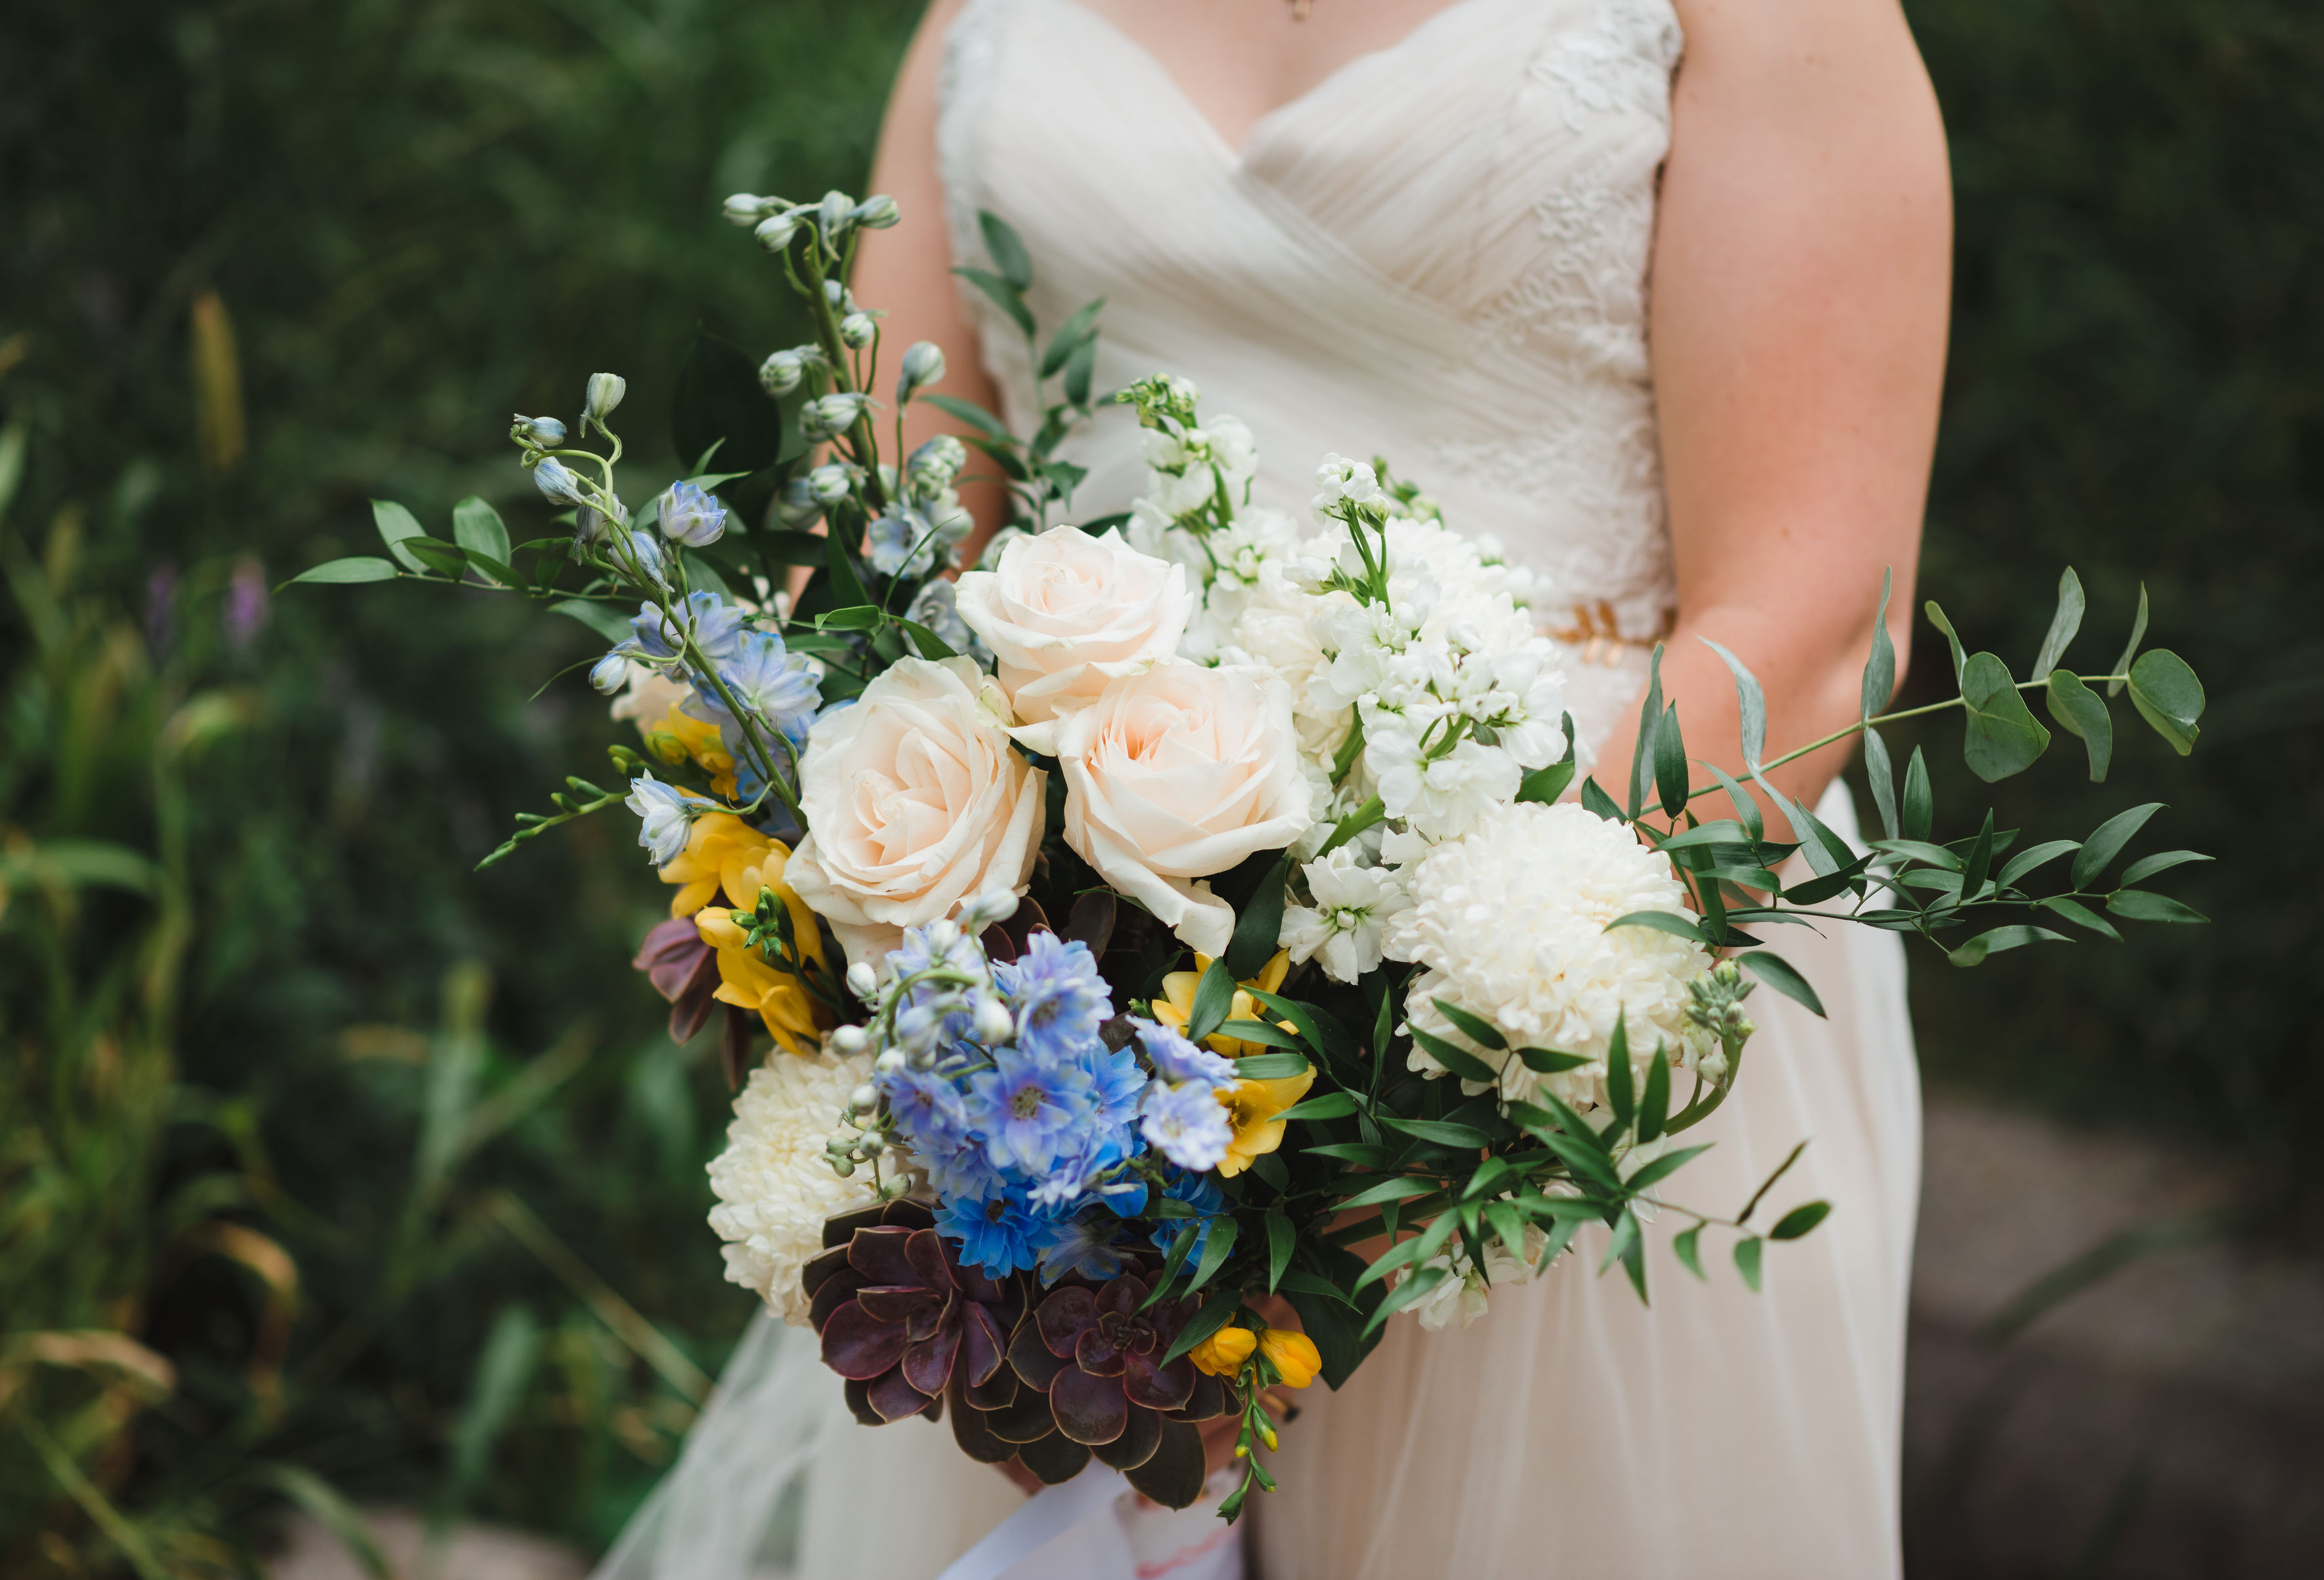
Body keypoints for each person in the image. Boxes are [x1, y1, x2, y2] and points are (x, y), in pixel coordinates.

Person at [696, 2, 1945, 1575]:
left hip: (1578, 1023)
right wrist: (792, 910)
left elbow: (1809, 627)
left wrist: (1364, 1144)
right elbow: (880, 533)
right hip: (1054, 1060)